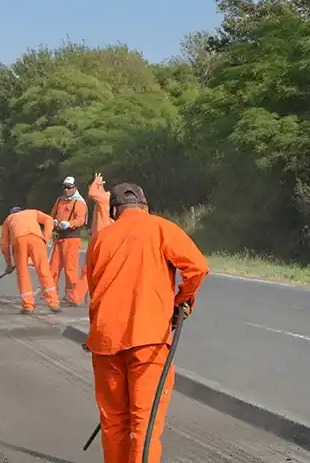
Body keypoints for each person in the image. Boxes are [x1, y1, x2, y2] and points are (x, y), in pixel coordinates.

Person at [84, 183, 210, 463]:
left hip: (105, 344)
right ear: (145, 206)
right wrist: (182, 302)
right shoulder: (160, 228)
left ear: (115, 211)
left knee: (114, 424)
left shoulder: (100, 239)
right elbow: (198, 268)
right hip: (149, 342)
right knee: (145, 426)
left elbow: (94, 289)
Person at [0, 206, 61, 314]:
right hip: (37, 239)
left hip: (19, 241)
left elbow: (4, 244)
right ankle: (54, 303)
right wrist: (45, 237)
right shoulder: (32, 212)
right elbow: (49, 219)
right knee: (44, 271)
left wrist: (9, 264)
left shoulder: (9, 219)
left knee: (23, 274)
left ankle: (28, 306)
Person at [64, 172, 111, 307]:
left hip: (103, 239)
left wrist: (97, 182)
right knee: (92, 269)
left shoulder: (105, 198)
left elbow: (92, 193)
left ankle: (78, 296)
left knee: (90, 269)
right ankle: (80, 296)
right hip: (98, 238)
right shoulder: (102, 201)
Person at [49, 176, 88, 303]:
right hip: (59, 237)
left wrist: (68, 224)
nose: (66, 190)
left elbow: (81, 220)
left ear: (75, 188)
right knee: (53, 268)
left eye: (69, 187)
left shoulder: (79, 202)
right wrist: (53, 222)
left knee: (70, 269)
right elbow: (52, 214)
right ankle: (51, 294)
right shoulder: (60, 200)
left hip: (72, 238)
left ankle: (71, 295)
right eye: (64, 187)